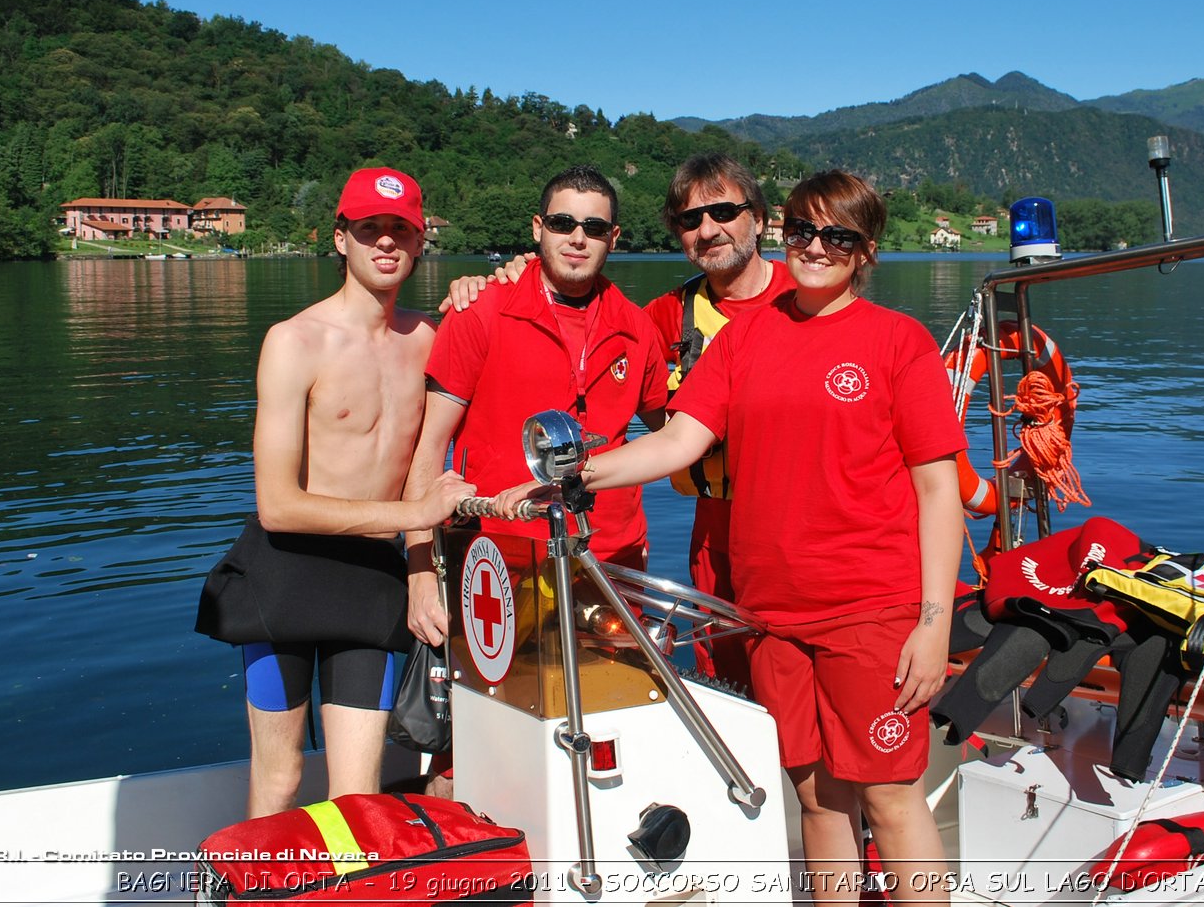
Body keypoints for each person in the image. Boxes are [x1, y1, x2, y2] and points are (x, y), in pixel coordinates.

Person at [494, 170, 967, 904]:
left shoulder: (896, 341)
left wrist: (932, 625)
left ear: (865, 251)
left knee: (889, 799)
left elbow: (940, 491)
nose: (816, 247)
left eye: (837, 236)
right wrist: (577, 473)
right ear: (784, 232)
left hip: (870, 609)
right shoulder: (747, 334)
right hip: (772, 612)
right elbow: (681, 438)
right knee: (816, 799)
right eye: (803, 231)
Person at [443, 153, 793, 685]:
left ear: (761, 217)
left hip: (793, 523)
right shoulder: (658, 318)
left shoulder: (812, 297)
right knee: (724, 680)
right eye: (689, 219)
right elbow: (672, 432)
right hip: (526, 546)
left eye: (722, 211)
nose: (707, 229)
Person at [195, 167, 473, 818]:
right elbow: (278, 505)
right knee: (282, 778)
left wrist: (416, 566)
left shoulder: (431, 340)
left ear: (419, 242)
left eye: (400, 230)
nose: (385, 243)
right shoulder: (294, 342)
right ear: (340, 238)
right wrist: (416, 516)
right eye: (369, 228)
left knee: (357, 796)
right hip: (285, 577)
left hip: (370, 583)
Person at [403, 165, 670, 792]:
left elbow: (675, 432)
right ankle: (468, 872)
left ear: (614, 237)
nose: (577, 237)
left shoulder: (638, 328)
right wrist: (418, 570)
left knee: (608, 722)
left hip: (609, 561)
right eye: (562, 223)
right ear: (538, 228)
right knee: (471, 744)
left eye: (594, 226)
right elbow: (427, 453)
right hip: (494, 567)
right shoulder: (481, 314)